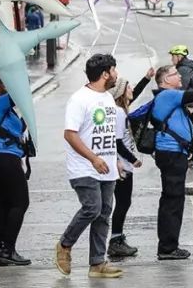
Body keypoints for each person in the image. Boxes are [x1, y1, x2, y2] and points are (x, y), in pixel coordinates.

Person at [55, 54, 126, 280]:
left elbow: (106, 134)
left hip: (107, 166)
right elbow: (70, 134)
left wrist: (115, 158)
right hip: (84, 167)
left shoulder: (106, 98)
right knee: (92, 208)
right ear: (105, 74)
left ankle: (97, 263)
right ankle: (64, 245)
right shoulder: (79, 99)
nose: (116, 75)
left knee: (104, 213)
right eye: (114, 70)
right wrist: (94, 158)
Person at [151, 55, 193, 260]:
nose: (179, 76)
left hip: (172, 153)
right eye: (174, 74)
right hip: (171, 154)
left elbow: (181, 123)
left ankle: (168, 245)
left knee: (172, 199)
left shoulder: (170, 98)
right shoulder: (168, 95)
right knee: (173, 201)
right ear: (164, 81)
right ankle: (168, 248)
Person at [0, 74, 33, 267]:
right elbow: (21, 89)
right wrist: (17, 69)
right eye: (4, 84)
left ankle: (3, 250)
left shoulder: (7, 111)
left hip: (3, 158)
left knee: (6, 205)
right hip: (3, 157)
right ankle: (7, 249)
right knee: (21, 202)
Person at [108, 69, 154, 260]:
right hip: (122, 165)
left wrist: (146, 78)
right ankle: (115, 241)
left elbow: (133, 95)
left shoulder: (120, 109)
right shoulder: (118, 113)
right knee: (122, 203)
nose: (132, 89)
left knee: (123, 202)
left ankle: (117, 238)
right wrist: (132, 159)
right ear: (120, 92)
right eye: (129, 86)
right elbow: (117, 142)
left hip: (123, 164)